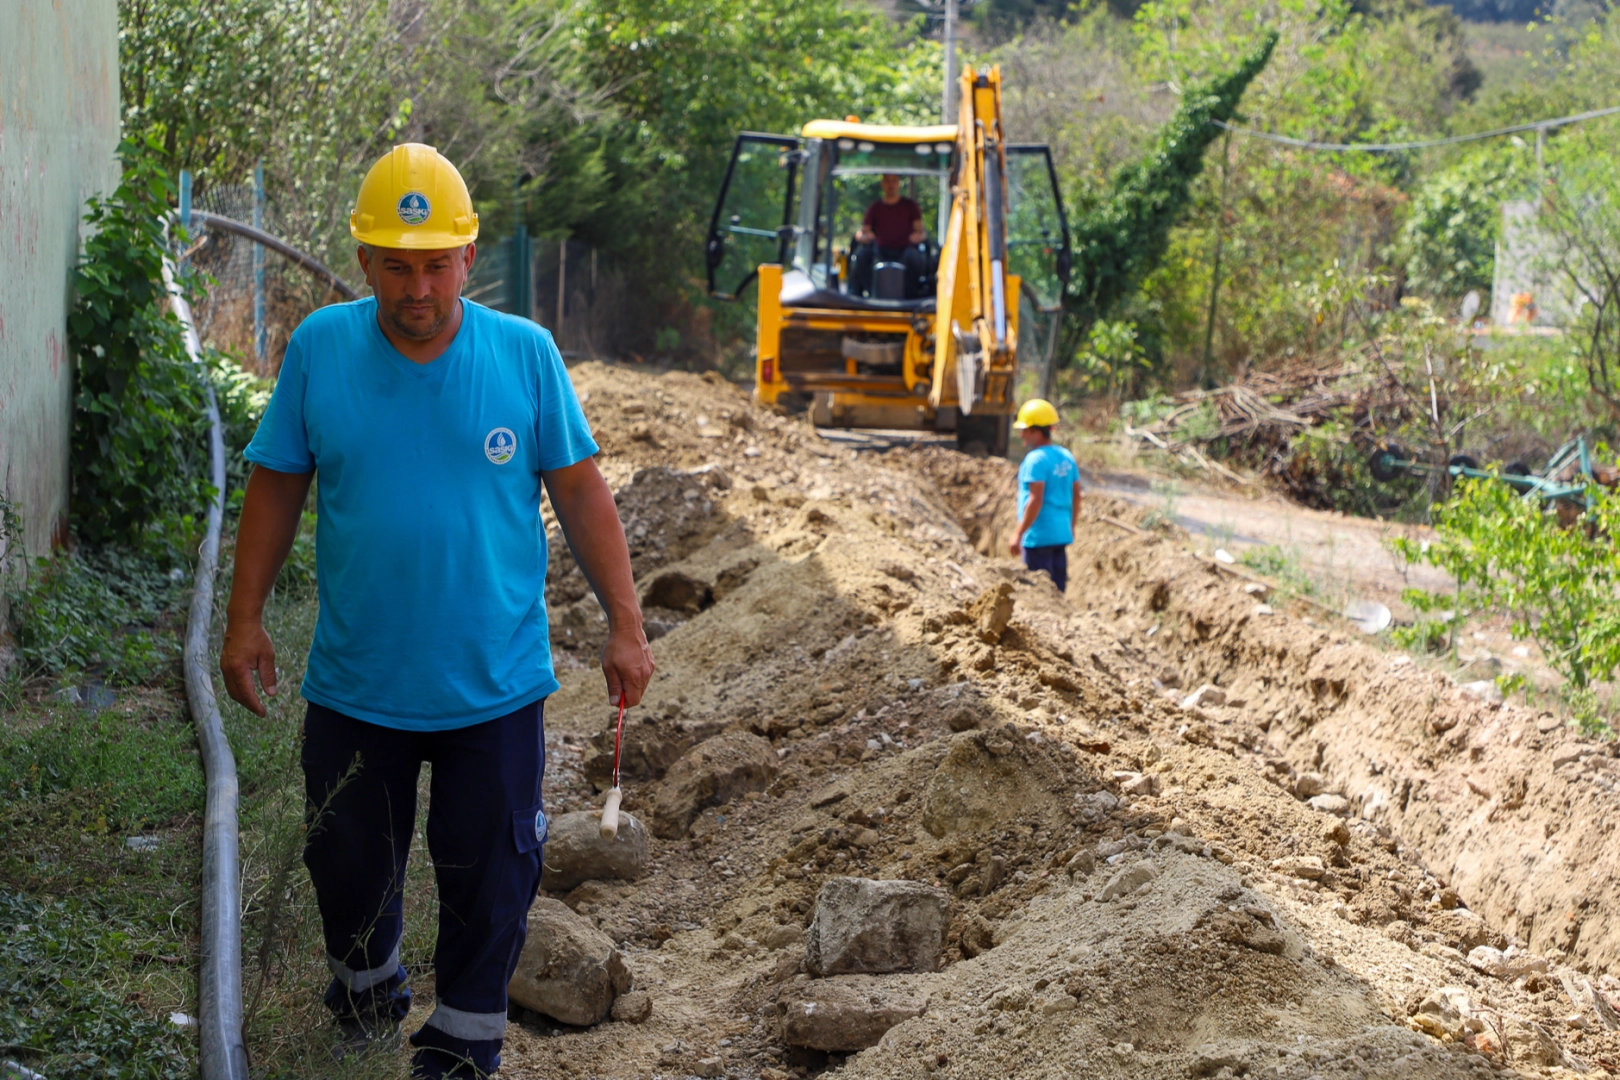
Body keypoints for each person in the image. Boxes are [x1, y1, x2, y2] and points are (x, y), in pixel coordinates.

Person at [218, 143, 655, 1079]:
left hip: (492, 685)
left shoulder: (524, 357)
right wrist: (243, 618)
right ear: (363, 259)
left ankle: (463, 1041)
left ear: (467, 256)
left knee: (490, 876)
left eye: (434, 264)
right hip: (356, 680)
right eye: (396, 265)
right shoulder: (320, 350)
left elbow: (581, 494)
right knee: (344, 862)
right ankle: (368, 991)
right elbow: (275, 488)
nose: (417, 287)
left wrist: (626, 620)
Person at [1007, 398, 1080, 592]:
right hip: (1060, 535)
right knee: (1057, 593)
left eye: (1024, 429)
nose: (1021, 434)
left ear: (1036, 431)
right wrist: (1070, 526)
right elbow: (1077, 496)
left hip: (1038, 538)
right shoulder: (1066, 456)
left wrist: (1018, 533)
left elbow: (1035, 500)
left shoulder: (1035, 460)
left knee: (1039, 594)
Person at [849, 172, 929, 299]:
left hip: (906, 250)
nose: (891, 184)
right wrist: (865, 236)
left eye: (894, 181)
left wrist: (919, 236)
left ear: (899, 183)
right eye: (887, 181)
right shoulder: (875, 207)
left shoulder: (910, 206)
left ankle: (911, 296)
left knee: (916, 259)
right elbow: (864, 231)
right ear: (883, 184)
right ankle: (867, 294)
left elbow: (920, 231)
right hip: (880, 251)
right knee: (862, 257)